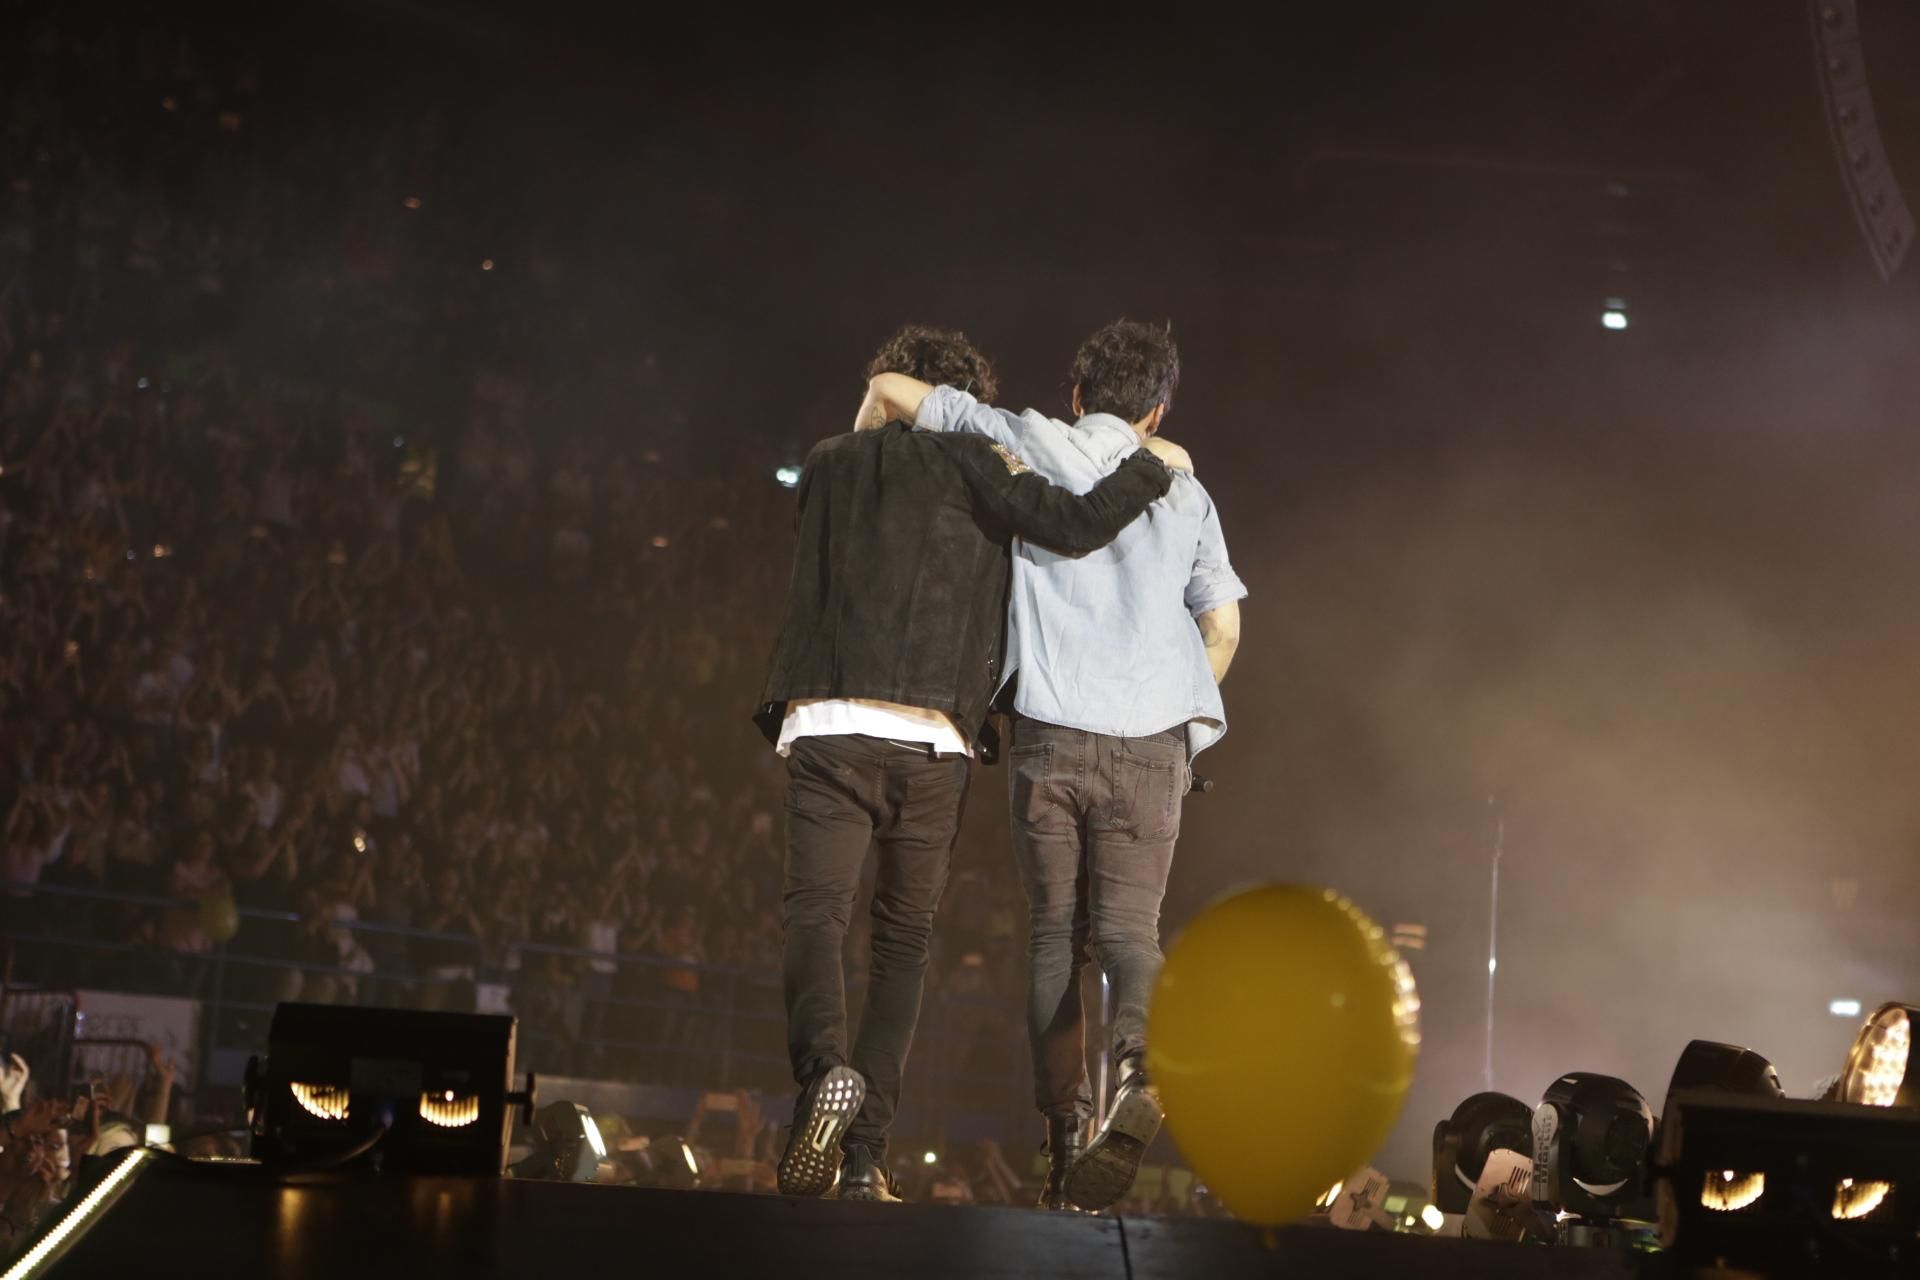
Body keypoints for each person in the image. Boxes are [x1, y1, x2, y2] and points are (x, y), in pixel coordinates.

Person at [760, 325, 1185, 1202]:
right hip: (935, 739)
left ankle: (823, 1076)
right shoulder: (983, 468)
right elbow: (1073, 526)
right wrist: (1151, 465)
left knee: (816, 917)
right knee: (902, 944)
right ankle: (866, 1159)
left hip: (829, 722)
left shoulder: (829, 462)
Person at [856, 319, 1244, 1211]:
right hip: (1151, 742)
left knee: (1052, 940)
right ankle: (1143, 1069)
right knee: (1131, 935)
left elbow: (894, 388)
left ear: (1075, 395)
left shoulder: (1025, 438)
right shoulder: (1185, 489)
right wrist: (1175, 709)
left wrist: (857, 457)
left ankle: (1065, 1141)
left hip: (1050, 735)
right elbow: (1222, 626)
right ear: (1157, 410)